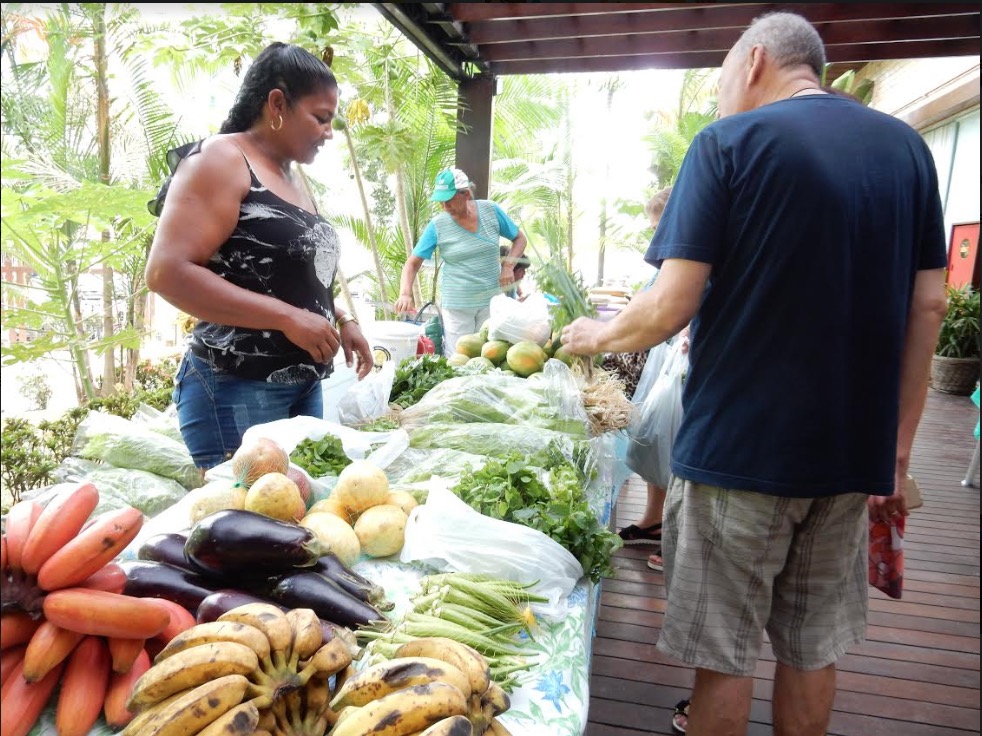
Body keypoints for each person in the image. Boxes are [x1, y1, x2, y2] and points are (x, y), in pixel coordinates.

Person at [561, 12, 947, 736]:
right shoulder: (906, 149)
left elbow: (670, 305)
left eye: (722, 78)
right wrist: (896, 451)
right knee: (812, 648)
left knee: (724, 657)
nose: (719, 97)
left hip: (737, 453)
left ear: (756, 60)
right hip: (851, 458)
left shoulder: (727, 143)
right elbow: (929, 304)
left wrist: (596, 333)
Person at [145, 42, 373, 472]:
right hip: (237, 385)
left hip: (303, 383)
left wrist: (342, 319)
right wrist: (288, 319)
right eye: (321, 118)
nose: (329, 132)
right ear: (277, 104)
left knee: (296, 507)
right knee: (248, 513)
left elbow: (287, 278)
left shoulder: (291, 174)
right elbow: (166, 273)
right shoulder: (221, 159)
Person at [393, 168, 528, 356]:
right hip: (457, 304)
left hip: (491, 300)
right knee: (459, 357)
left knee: (489, 355)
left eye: (449, 199)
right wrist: (405, 294)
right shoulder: (438, 225)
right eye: (441, 201)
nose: (444, 206)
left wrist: (508, 267)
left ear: (466, 194)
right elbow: (412, 264)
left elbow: (520, 239)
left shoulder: (491, 210)